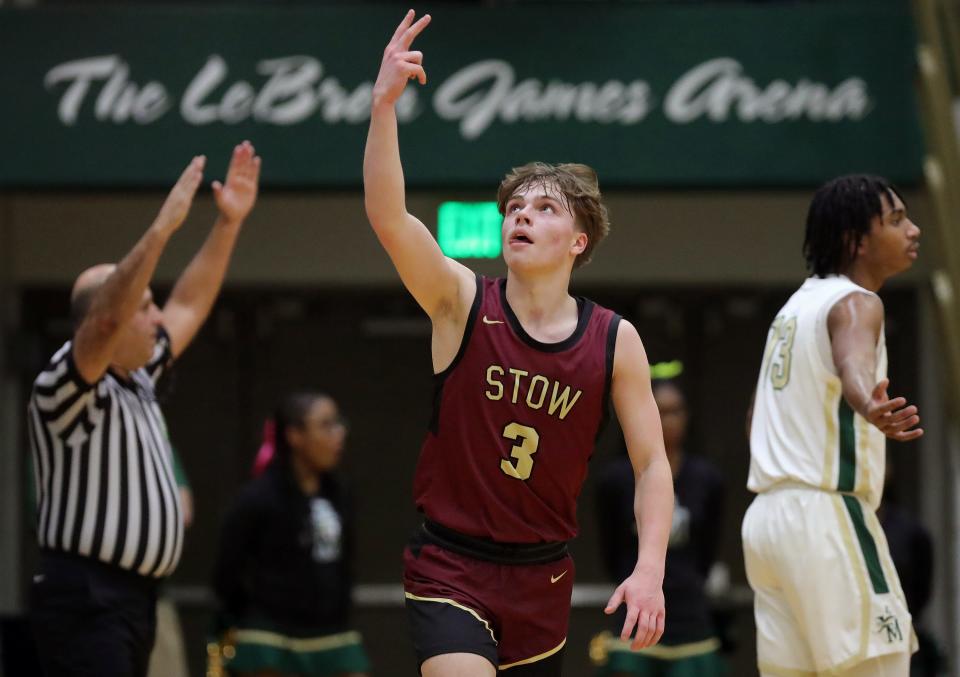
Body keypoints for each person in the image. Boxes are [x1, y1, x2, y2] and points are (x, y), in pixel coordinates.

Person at [363, 11, 674, 676]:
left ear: (578, 240)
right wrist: (383, 107)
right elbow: (390, 220)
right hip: (451, 563)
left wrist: (650, 570)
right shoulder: (462, 301)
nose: (522, 216)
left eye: (544, 208)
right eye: (514, 208)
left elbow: (651, 465)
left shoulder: (614, 340)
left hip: (542, 575)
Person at [27, 142, 261, 677]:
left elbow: (190, 303)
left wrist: (227, 225)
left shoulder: (139, 374)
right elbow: (107, 321)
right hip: (86, 597)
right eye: (145, 307)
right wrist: (160, 231)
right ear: (109, 319)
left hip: (136, 599)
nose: (159, 317)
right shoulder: (62, 389)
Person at [741, 174, 922, 677]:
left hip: (766, 523)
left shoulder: (792, 310)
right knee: (879, 667)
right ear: (855, 241)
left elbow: (756, 417)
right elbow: (854, 369)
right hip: (825, 517)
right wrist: (869, 405)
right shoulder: (858, 303)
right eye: (896, 220)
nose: (913, 230)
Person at [212, 392, 370, 677]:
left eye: (338, 423)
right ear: (294, 435)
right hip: (271, 634)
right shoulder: (258, 498)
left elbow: (347, 561)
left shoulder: (340, 493)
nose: (339, 434)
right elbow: (227, 572)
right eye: (326, 425)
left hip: (330, 631)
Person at [593, 379, 727, 677]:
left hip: (690, 615)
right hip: (635, 613)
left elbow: (708, 548)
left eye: (675, 411)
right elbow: (610, 549)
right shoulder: (615, 480)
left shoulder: (707, 478)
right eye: (661, 411)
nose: (668, 420)